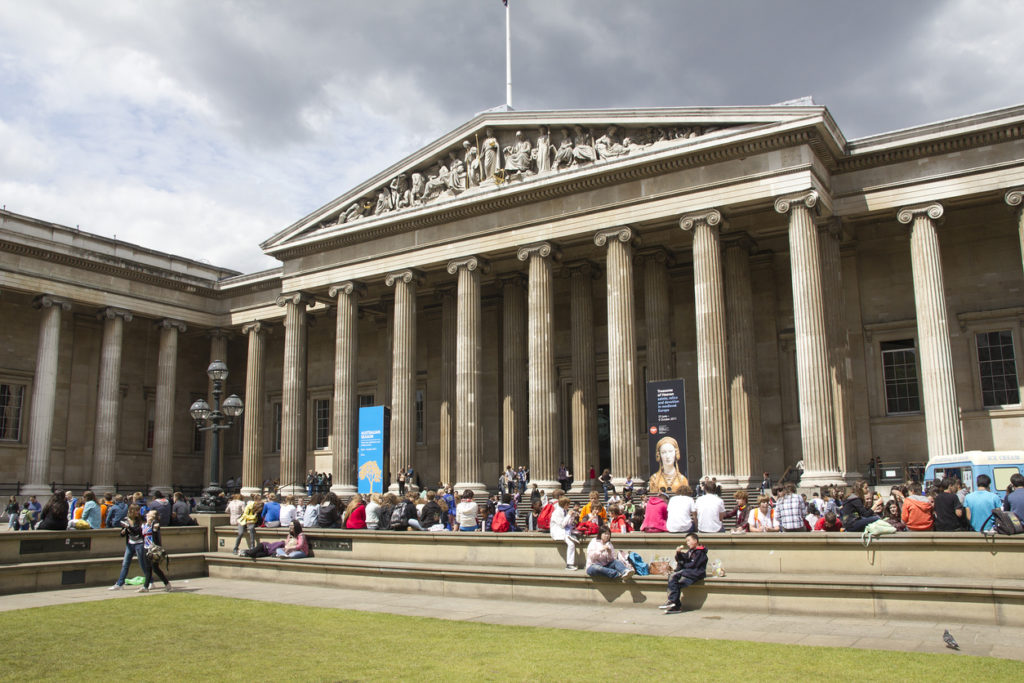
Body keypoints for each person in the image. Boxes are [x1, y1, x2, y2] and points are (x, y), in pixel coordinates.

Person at [661, 532, 708, 614]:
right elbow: (683, 558)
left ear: (695, 540)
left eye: (689, 540)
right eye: (686, 541)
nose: (687, 543)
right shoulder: (691, 551)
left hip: (695, 574)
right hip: (689, 572)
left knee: (674, 578)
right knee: (674, 581)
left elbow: (693, 565)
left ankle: (672, 601)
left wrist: (682, 566)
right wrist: (678, 553)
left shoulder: (700, 552)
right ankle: (675, 605)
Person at [109, 504, 147, 591]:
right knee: (125, 564)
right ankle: (119, 583)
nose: (138, 512)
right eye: (136, 510)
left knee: (142, 563)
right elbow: (124, 533)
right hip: (130, 543)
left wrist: (129, 527)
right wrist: (123, 532)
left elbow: (138, 532)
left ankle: (150, 581)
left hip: (139, 543)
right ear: (131, 511)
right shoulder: (125, 520)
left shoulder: (141, 519)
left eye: (138, 510)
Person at [141, 510, 171, 592]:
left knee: (155, 568)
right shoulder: (145, 525)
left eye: (149, 513)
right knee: (148, 568)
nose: (147, 514)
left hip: (153, 549)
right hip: (146, 547)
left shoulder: (155, 524)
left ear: (153, 516)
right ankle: (145, 587)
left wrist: (154, 528)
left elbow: (155, 534)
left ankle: (167, 583)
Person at [550, 495, 579, 570]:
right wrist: (569, 515)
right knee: (571, 544)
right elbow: (562, 525)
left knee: (573, 541)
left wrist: (572, 516)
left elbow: (568, 523)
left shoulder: (564, 511)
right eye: (568, 504)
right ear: (564, 504)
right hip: (558, 531)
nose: (569, 506)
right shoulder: (557, 512)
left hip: (565, 530)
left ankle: (570, 564)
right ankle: (569, 564)